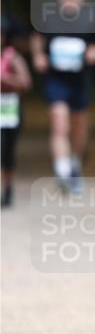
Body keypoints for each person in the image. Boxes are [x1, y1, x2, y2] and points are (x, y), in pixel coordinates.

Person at [30, 0, 95, 194]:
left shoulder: (92, 17)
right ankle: (62, 170)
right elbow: (36, 37)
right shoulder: (48, 15)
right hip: (56, 78)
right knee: (59, 122)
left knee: (78, 124)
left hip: (81, 79)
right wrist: (38, 55)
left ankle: (76, 164)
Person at [1, 15, 32, 208]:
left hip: (9, 110)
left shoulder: (12, 57)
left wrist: (6, 80)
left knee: (7, 151)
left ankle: (9, 188)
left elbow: (26, 83)